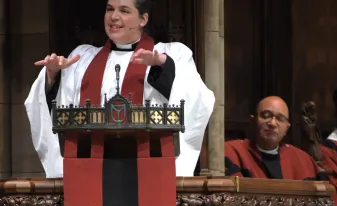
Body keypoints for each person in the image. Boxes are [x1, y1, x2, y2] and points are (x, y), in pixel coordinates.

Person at [24, 0, 215, 178]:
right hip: (89, 169)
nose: (114, 16)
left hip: (149, 170)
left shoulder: (172, 54)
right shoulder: (82, 58)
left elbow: (198, 101)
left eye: (124, 11)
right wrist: (52, 76)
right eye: (110, 9)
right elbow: (56, 108)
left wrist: (164, 68)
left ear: (143, 19)